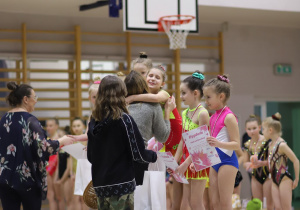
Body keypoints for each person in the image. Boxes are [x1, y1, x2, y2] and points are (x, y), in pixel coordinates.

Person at [87, 75, 157, 209]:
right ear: (121, 93)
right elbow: (138, 154)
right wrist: (154, 156)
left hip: (100, 186)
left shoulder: (94, 121)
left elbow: (91, 157)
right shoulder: (124, 120)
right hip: (121, 186)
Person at [0, 82, 73, 210]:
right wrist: (61, 141)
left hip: (5, 178)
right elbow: (43, 147)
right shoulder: (30, 120)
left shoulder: (4, 119)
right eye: (35, 97)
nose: (36, 101)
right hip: (27, 179)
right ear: (26, 99)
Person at [124, 70, 175, 185]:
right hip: (139, 156)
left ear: (163, 83)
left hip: (118, 157)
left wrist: (131, 98)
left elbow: (156, 98)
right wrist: (167, 111)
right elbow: (162, 136)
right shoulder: (153, 106)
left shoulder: (162, 95)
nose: (152, 79)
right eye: (150, 76)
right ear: (144, 82)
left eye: (157, 77)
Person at [171, 71, 210, 210]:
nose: (180, 96)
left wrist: (186, 164)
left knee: (196, 203)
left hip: (199, 159)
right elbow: (183, 139)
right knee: (185, 204)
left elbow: (202, 144)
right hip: (187, 159)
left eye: (183, 93)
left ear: (195, 93)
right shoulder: (185, 112)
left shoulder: (203, 113)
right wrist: (175, 161)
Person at [203, 75, 240, 210]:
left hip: (227, 161)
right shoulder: (213, 116)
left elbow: (236, 144)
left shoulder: (229, 116)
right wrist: (199, 161)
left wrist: (218, 143)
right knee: (214, 203)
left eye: (208, 97)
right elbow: (210, 144)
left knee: (225, 204)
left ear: (221, 96)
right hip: (214, 161)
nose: (206, 100)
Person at [253, 112, 299, 209]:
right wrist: (260, 163)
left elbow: (296, 160)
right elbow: (271, 162)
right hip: (274, 179)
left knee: (286, 208)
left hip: (284, 179)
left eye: (263, 129)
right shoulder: (270, 145)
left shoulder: (281, 145)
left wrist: (297, 179)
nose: (262, 132)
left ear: (270, 130)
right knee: (277, 208)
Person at [243, 115, 273, 209]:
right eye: (249, 129)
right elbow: (244, 162)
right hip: (255, 177)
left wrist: (262, 163)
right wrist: (247, 164)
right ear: (246, 130)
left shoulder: (267, 141)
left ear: (259, 127)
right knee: (257, 204)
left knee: (269, 206)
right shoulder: (247, 145)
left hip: (268, 175)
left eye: (254, 128)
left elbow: (273, 160)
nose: (252, 131)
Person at [46, 118, 64, 210]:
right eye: (47, 126)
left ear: (56, 126)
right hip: (48, 169)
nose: (48, 128)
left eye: (51, 125)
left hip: (58, 168)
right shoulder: (46, 140)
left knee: (59, 197)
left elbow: (63, 156)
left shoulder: (61, 138)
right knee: (50, 195)